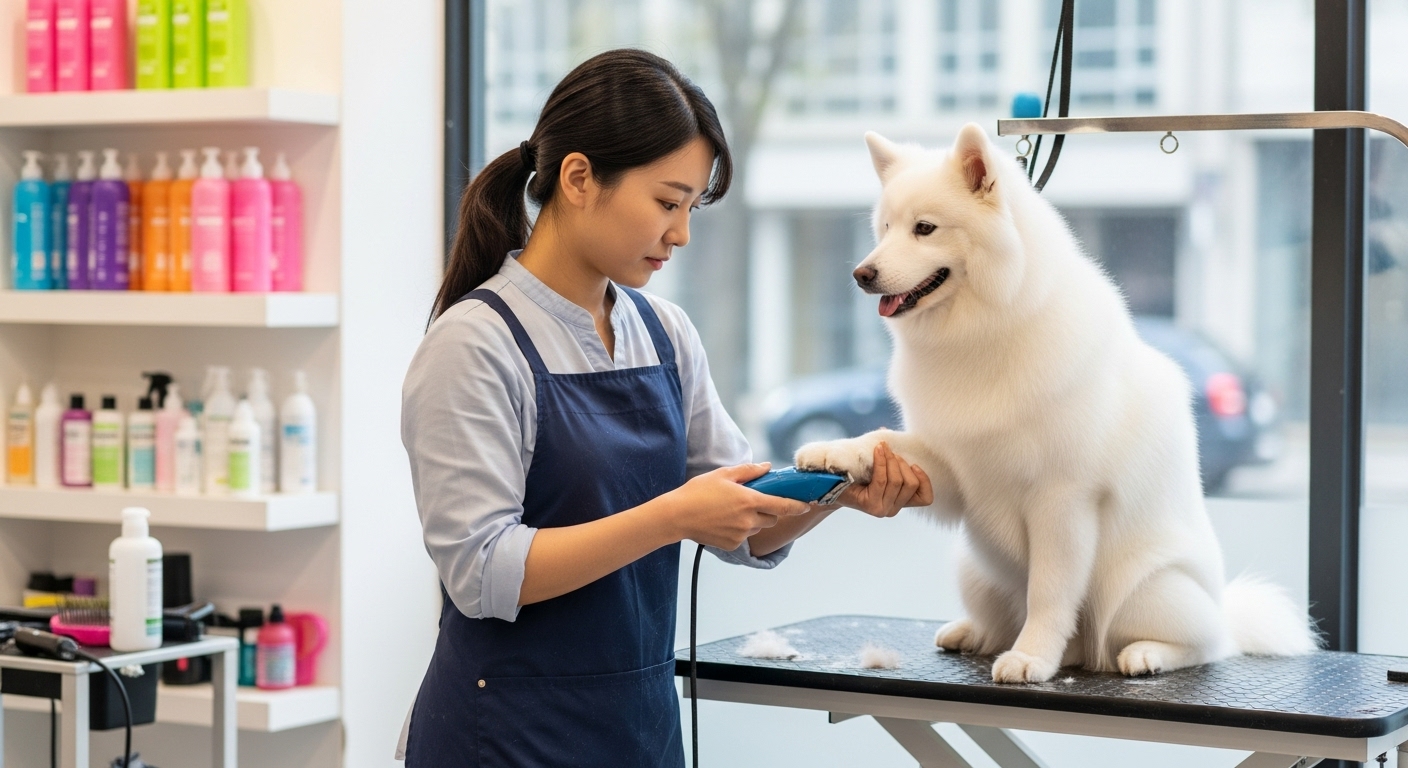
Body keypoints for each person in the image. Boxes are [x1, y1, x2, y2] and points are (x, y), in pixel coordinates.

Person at [398, 48, 932, 766]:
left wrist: (839, 490)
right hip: (504, 735)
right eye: (667, 202)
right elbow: (484, 572)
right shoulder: (475, 345)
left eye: (691, 208)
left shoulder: (664, 334)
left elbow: (742, 527)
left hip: (637, 728)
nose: (680, 233)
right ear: (579, 178)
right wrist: (674, 515)